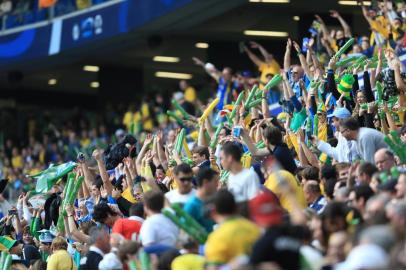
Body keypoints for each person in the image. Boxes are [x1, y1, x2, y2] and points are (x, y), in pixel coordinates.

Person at [205, 189, 260, 268]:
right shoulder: (254, 228)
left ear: (214, 211)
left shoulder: (216, 237)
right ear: (235, 207)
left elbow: (213, 268)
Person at [183, 167, 218, 232]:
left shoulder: (212, 202)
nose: (217, 185)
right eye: (215, 181)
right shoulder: (191, 206)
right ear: (205, 182)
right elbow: (184, 231)